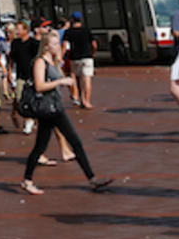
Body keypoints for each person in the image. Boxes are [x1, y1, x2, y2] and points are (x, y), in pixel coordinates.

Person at [20, 29, 112, 195]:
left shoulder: (53, 62)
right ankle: (91, 179)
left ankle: (28, 180)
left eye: (58, 43)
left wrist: (63, 76)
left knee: (46, 146)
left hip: (55, 108)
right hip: (49, 110)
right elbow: (39, 86)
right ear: (46, 46)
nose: (58, 46)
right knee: (67, 143)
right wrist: (60, 81)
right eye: (55, 44)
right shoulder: (40, 62)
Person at [8, 20, 38, 135]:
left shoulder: (33, 43)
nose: (17, 31)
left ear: (26, 30)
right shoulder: (15, 43)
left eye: (19, 29)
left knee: (31, 99)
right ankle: (17, 114)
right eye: (16, 29)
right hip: (21, 75)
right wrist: (9, 72)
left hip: (33, 76)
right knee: (19, 97)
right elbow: (11, 58)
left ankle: (29, 121)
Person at [62, 11, 97, 109]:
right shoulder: (87, 30)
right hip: (87, 57)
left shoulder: (68, 31)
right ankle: (87, 101)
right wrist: (93, 53)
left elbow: (64, 45)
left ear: (72, 20)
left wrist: (61, 57)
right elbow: (94, 44)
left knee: (77, 79)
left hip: (74, 57)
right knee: (87, 79)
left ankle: (80, 98)